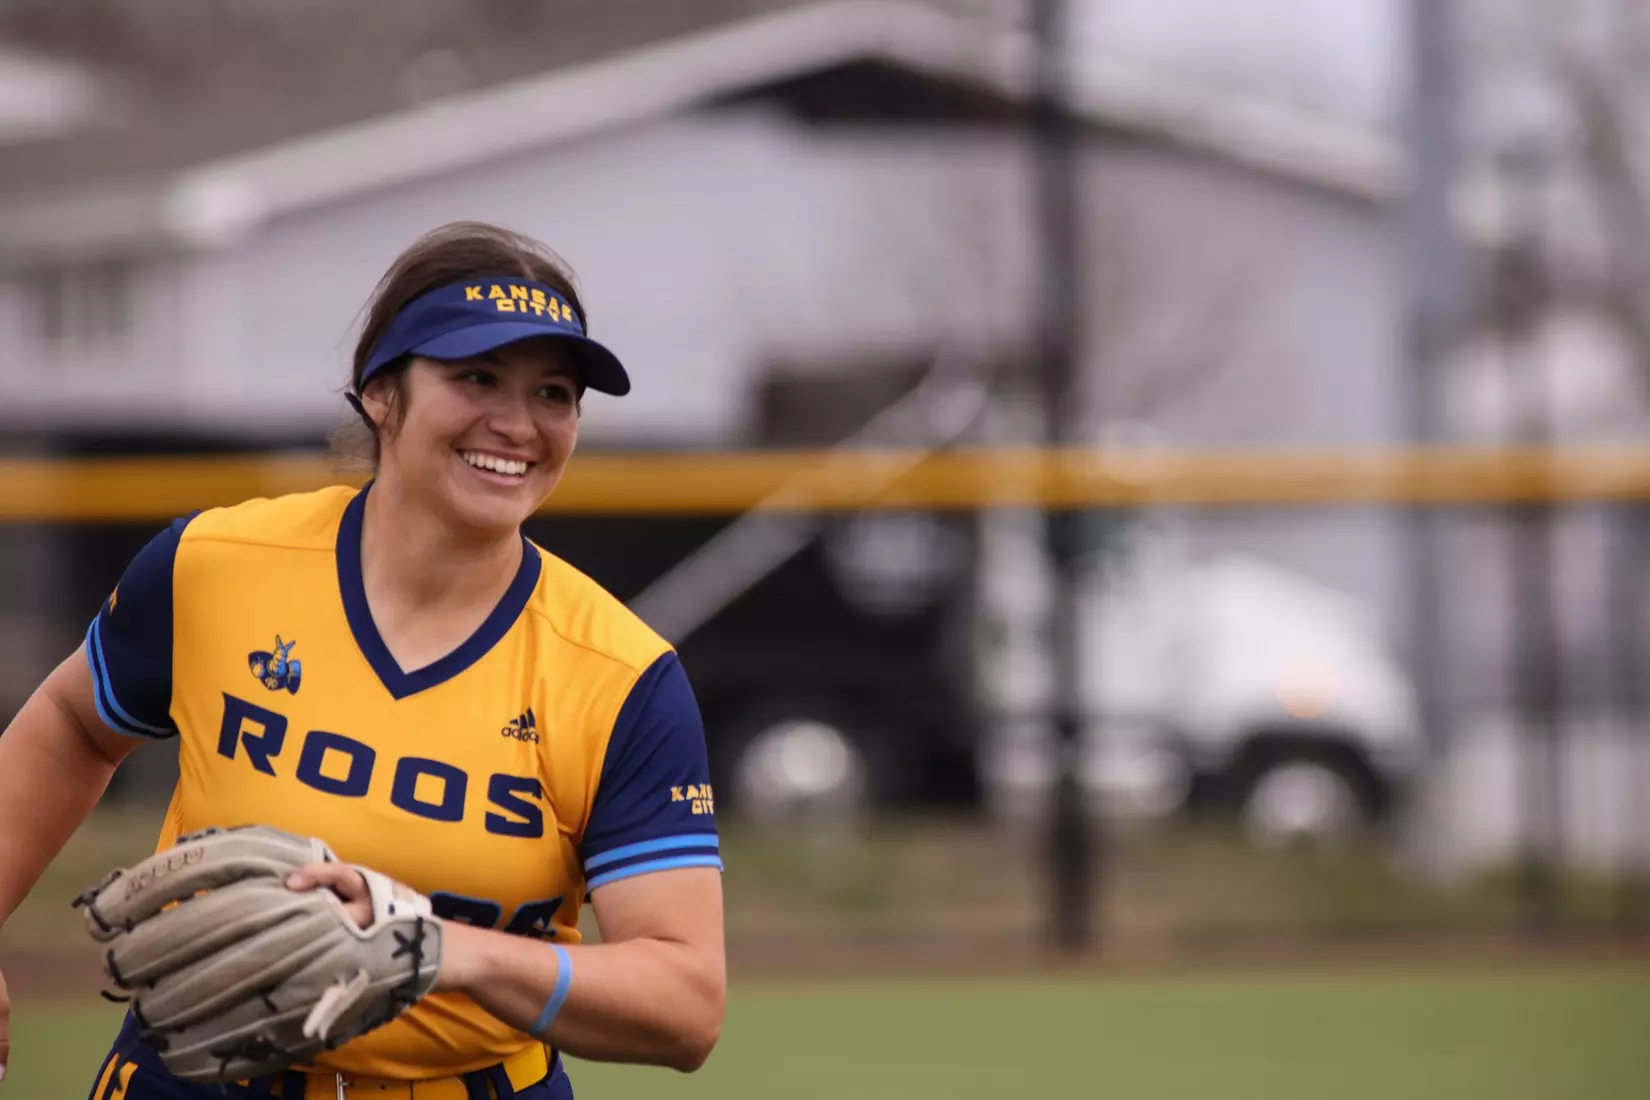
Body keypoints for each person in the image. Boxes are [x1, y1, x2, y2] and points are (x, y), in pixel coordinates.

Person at [0, 221, 727, 1099]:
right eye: (475, 377)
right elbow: (74, 724)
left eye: (555, 393)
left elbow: (685, 1003)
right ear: (381, 394)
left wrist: (440, 951)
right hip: (197, 1074)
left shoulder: (619, 676)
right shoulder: (218, 565)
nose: (518, 423)